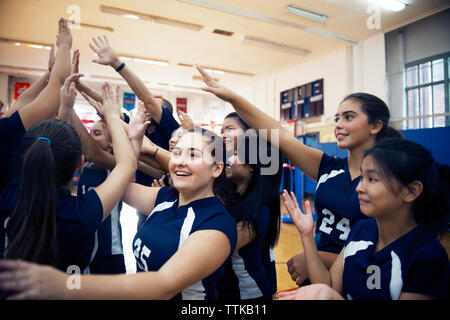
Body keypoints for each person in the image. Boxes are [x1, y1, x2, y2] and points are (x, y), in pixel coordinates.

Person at [196, 65, 402, 286]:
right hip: (316, 275)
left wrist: (320, 258)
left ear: (376, 125)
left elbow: (392, 249)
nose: (339, 125)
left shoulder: (392, 179)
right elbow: (279, 135)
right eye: (337, 118)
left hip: (362, 280)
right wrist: (232, 98)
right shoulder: (328, 167)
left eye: (348, 117)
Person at [0, 127, 238, 300]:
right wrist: (131, 140)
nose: (180, 162)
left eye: (194, 155)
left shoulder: (216, 225)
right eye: (176, 153)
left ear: (217, 168)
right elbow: (120, 179)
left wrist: (66, 283)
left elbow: (163, 285)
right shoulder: (166, 198)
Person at [1, 81, 144, 275]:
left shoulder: (8, 196)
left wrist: (65, 111)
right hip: (72, 287)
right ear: (80, 163)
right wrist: (112, 116)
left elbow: (51, 146)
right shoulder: (80, 216)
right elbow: (127, 165)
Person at [279, 138, 450, 300]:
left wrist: (330, 296)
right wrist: (307, 236)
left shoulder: (427, 257)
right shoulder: (362, 229)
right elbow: (328, 285)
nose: (359, 187)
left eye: (372, 179)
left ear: (411, 191)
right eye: (361, 177)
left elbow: (330, 294)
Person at [84, 37, 180, 229]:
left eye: (151, 109)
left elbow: (151, 101)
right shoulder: (135, 127)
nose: (145, 108)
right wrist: (77, 86)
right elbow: (109, 108)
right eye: (142, 107)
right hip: (142, 198)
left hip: (170, 196)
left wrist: (117, 64)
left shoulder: (171, 130)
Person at [216, 113, 282, 300]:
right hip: (227, 290)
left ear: (253, 165)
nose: (229, 159)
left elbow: (218, 247)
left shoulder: (259, 211)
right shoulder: (232, 196)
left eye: (236, 155)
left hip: (248, 294)